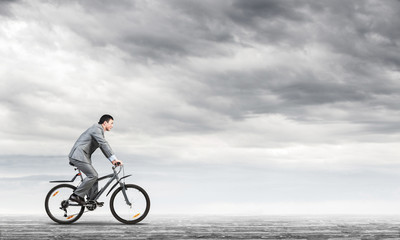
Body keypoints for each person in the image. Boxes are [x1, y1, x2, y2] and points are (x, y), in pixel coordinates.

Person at [68, 114, 123, 205]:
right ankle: (76, 195)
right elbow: (104, 144)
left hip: (82, 156)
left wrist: (112, 161)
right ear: (105, 123)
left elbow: (102, 146)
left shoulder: (99, 131)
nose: (112, 126)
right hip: (78, 156)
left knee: (93, 177)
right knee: (93, 175)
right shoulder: (96, 129)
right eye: (111, 123)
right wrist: (115, 158)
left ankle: (91, 200)